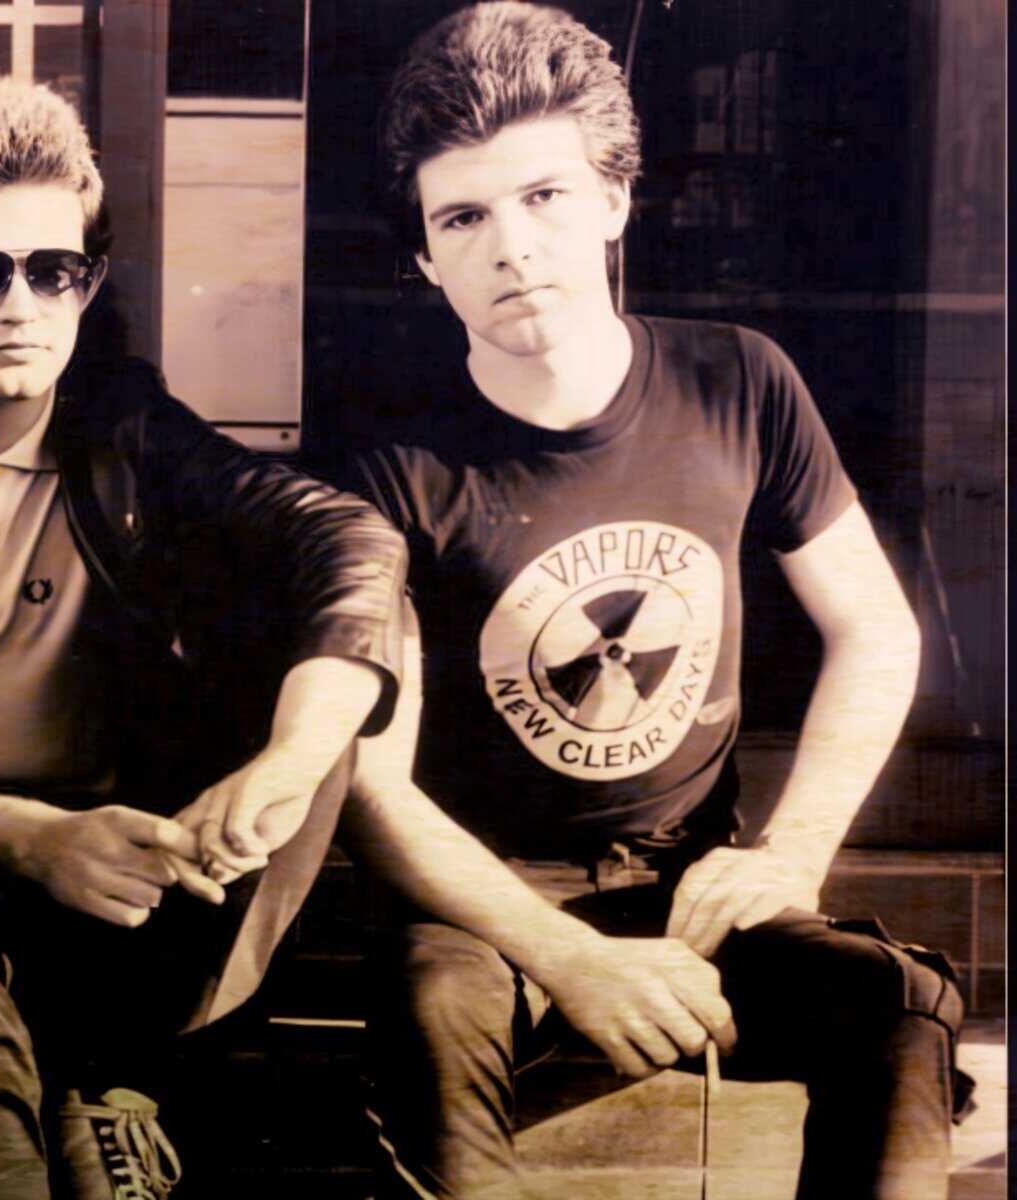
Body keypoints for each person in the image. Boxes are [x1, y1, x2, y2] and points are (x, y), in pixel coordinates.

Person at [337, 6, 968, 1197]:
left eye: (545, 198)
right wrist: (569, 959)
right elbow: (371, 783)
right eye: (463, 217)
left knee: (902, 1003)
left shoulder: (738, 380)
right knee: (428, 1013)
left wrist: (790, 855)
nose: (510, 246)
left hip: (693, 884)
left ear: (616, 200)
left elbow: (876, 629)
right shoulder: (391, 465)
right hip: (488, 909)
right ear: (425, 258)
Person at [0, 76, 410, 1200]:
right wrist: (27, 837)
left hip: (116, 885)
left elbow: (350, 542)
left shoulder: (124, 430)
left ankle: (124, 1095)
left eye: (56, 272)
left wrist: (283, 767)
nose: (21, 306)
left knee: (346, 650)